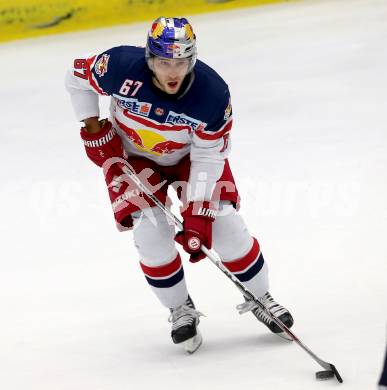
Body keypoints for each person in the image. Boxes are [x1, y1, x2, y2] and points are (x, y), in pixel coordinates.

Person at [65, 16, 294, 352]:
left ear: (193, 58)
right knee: (150, 232)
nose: (172, 72)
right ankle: (179, 309)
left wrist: (199, 211)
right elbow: (76, 77)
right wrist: (93, 128)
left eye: (181, 62)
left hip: (191, 159)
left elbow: (209, 155)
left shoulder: (213, 95)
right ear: (148, 58)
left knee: (224, 224)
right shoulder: (118, 66)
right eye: (163, 62)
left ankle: (262, 297)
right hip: (132, 159)